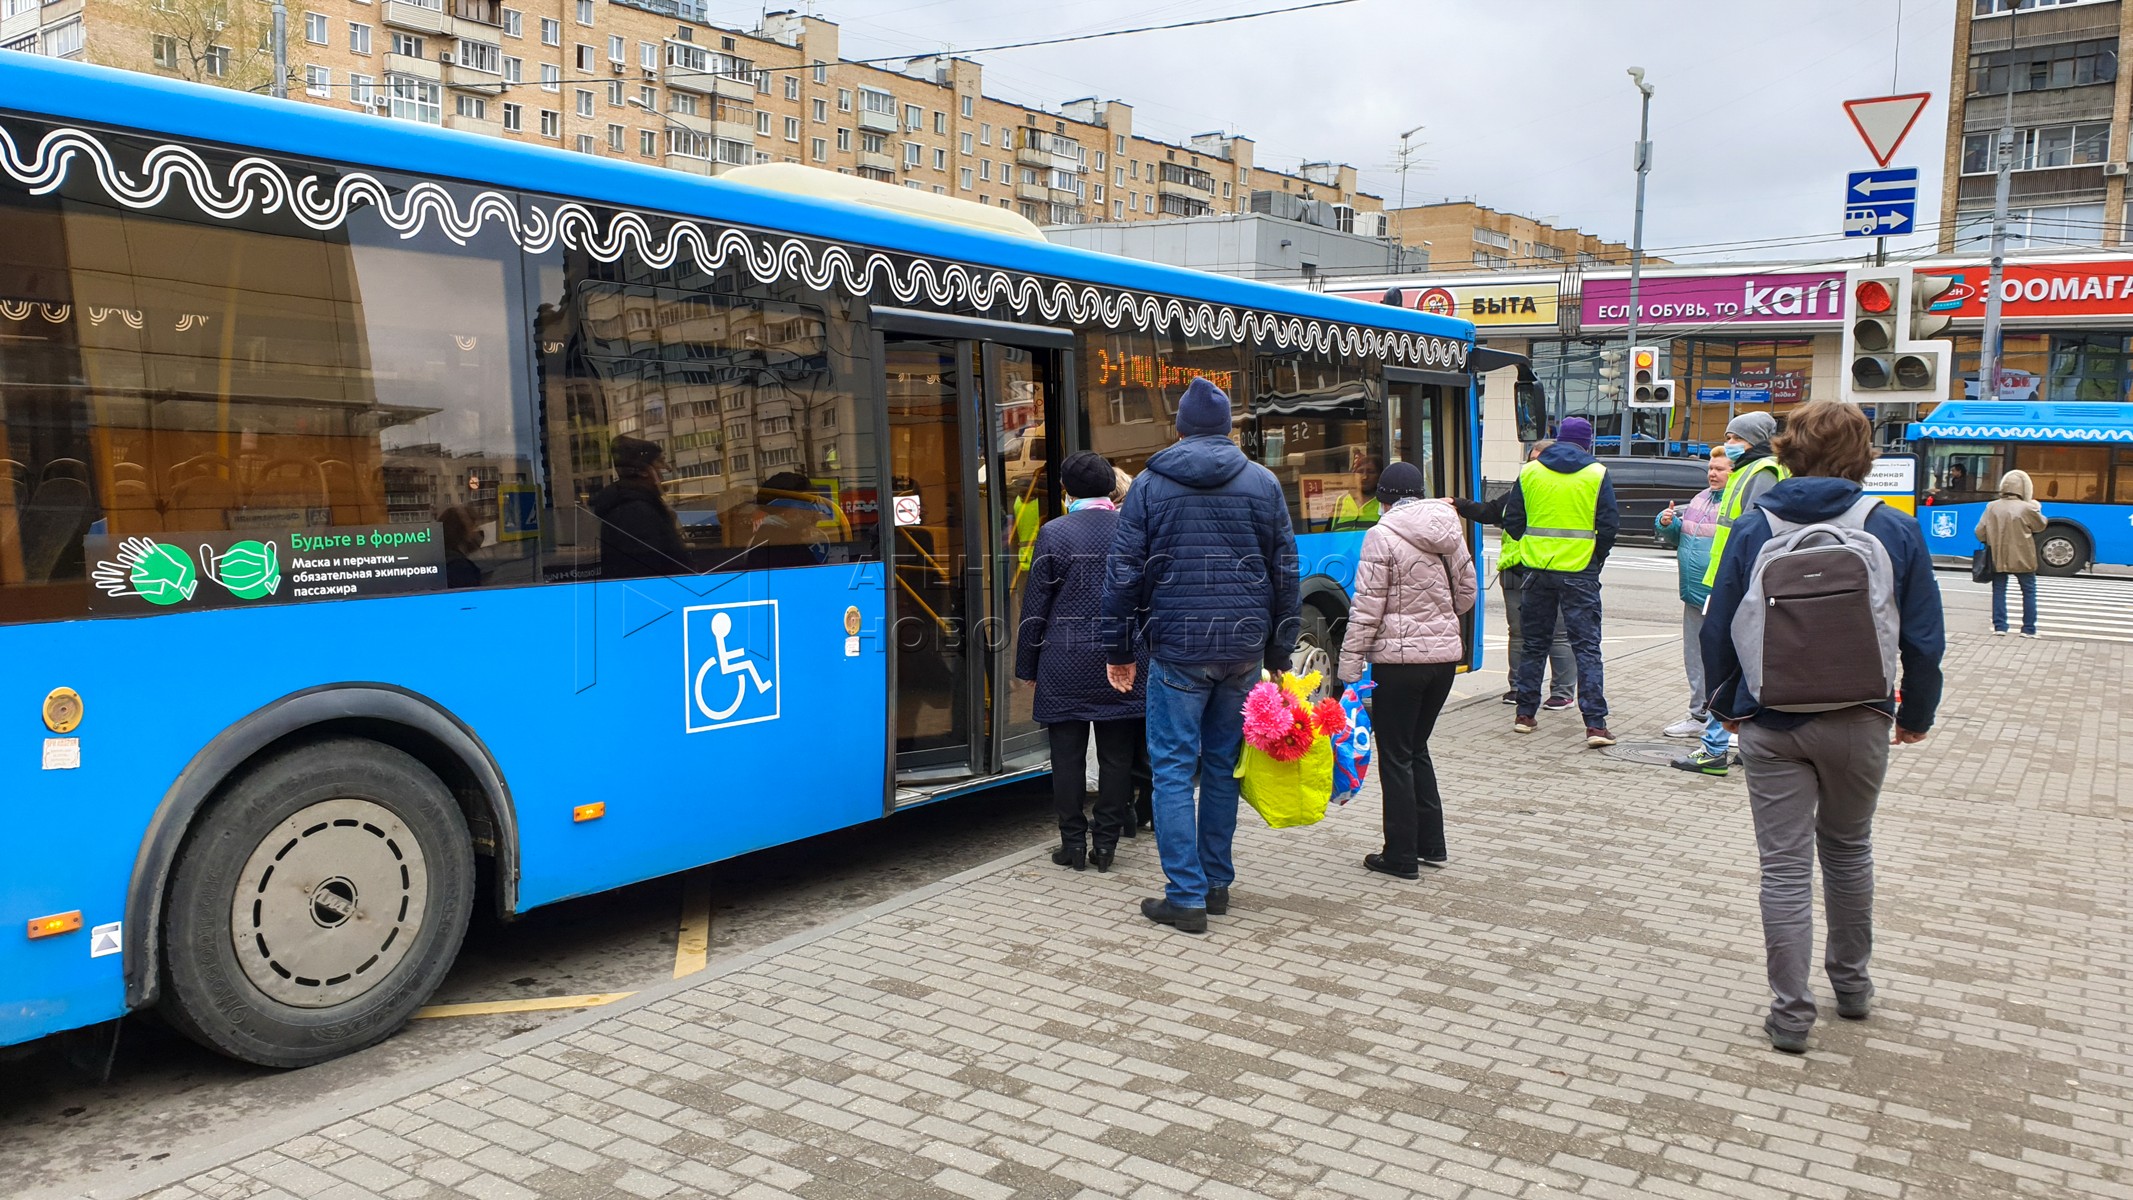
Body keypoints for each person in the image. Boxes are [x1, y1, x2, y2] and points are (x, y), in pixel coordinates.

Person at [1701, 400, 1944, 1055]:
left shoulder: (1755, 526)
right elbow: (1924, 639)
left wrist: (1726, 707)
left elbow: (1715, 626)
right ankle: (1853, 987)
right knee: (1848, 849)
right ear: (1863, 456)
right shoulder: (1892, 529)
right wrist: (1914, 714)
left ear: (1786, 450)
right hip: (1860, 716)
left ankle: (1789, 1016)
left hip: (1772, 722)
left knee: (1782, 871)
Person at [1103, 376, 1299, 935]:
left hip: (1178, 648)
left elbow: (1123, 575)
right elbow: (1285, 570)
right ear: (1229, 429)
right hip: (1241, 650)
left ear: (1181, 428)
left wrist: (1119, 648)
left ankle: (1184, 896)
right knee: (1222, 767)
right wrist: (1280, 649)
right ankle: (1215, 885)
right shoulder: (1262, 483)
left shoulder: (1148, 485)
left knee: (1170, 770)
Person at [1337, 461, 1476, 879]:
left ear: (1383, 498)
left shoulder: (1381, 536)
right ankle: (1431, 844)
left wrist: (1349, 664)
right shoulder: (1449, 526)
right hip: (1444, 661)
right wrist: (1438, 622)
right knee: (1417, 748)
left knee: (1395, 756)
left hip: (1398, 665)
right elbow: (1467, 592)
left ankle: (1399, 855)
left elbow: (1366, 608)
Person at [1016, 451, 1146, 874]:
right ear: (1111, 488)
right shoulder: (1133, 528)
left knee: (1066, 758)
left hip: (1062, 660)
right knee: (1116, 758)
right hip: (1122, 659)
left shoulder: (1054, 533)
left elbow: (1036, 605)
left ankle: (1072, 843)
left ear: (1067, 491)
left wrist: (1028, 667)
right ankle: (1106, 844)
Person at [1672, 412, 1790, 777]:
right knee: (1735, 662)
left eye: (1735, 436)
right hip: (1728, 579)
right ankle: (1738, 744)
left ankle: (1715, 749)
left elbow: (1756, 530)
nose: (1731, 442)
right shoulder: (1748, 471)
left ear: (1753, 438)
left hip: (1739, 583)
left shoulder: (1763, 472)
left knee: (1725, 662)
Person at [1501, 416, 1618, 747]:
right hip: (1580, 571)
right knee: (1586, 647)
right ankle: (1595, 725)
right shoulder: (1596, 474)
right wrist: (1596, 558)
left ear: (1557, 438)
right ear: (1588, 442)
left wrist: (1534, 547)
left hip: (1537, 570)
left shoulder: (1530, 472)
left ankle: (1525, 714)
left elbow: (1513, 520)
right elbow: (1608, 524)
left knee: (1534, 643)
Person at [1455, 442, 1576, 712]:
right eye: (1530, 460)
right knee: (1519, 633)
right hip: (1514, 570)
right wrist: (1460, 504)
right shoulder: (1520, 488)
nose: (1533, 465)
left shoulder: (1562, 492)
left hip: (1550, 569)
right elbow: (1490, 512)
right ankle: (1518, 687)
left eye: (1540, 460)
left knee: (1558, 633)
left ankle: (1562, 692)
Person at [1652, 445, 1731, 739]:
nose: (1712, 473)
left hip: (1720, 594)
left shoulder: (1734, 502)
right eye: (1711, 468)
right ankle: (1699, 714)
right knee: (1695, 657)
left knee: (1720, 658)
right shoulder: (1701, 499)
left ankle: (1722, 720)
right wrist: (1668, 523)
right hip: (1694, 592)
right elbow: (1684, 537)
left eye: (1719, 469)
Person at [592, 436, 686, 580]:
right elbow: (652, 572)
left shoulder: (639, 506)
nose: (667, 468)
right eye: (660, 461)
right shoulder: (635, 513)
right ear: (644, 471)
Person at [1975, 469, 2048, 638]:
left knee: (1999, 589)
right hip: (2024, 556)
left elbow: (1979, 531)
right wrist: (2038, 509)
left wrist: (1990, 539)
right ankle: (2028, 629)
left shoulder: (1992, 506)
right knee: (2028, 590)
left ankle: (2000, 626)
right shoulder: (2027, 508)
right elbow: (2040, 525)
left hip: (1998, 555)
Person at [1330, 456, 1383, 531]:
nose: (1365, 477)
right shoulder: (1341, 501)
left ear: (1379, 475)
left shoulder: (1384, 503)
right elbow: (1331, 535)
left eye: (1371, 472)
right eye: (1360, 472)